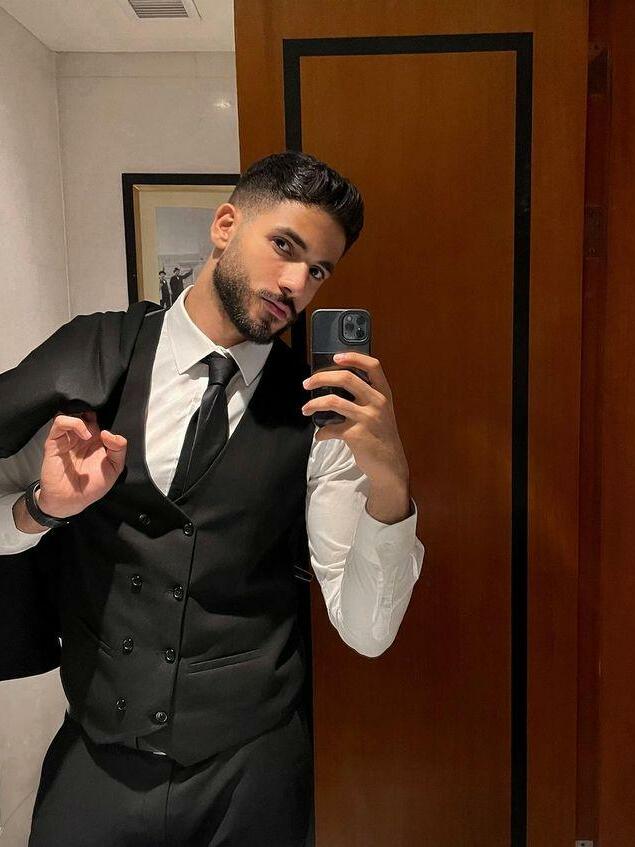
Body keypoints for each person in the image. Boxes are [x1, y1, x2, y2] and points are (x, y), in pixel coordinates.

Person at [0, 151, 425, 846]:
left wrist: (390, 481)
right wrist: (41, 510)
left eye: (319, 270)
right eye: (284, 246)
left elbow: (366, 632)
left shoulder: (320, 415)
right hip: (98, 754)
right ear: (225, 225)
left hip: (252, 770)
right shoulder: (92, 356)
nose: (296, 284)